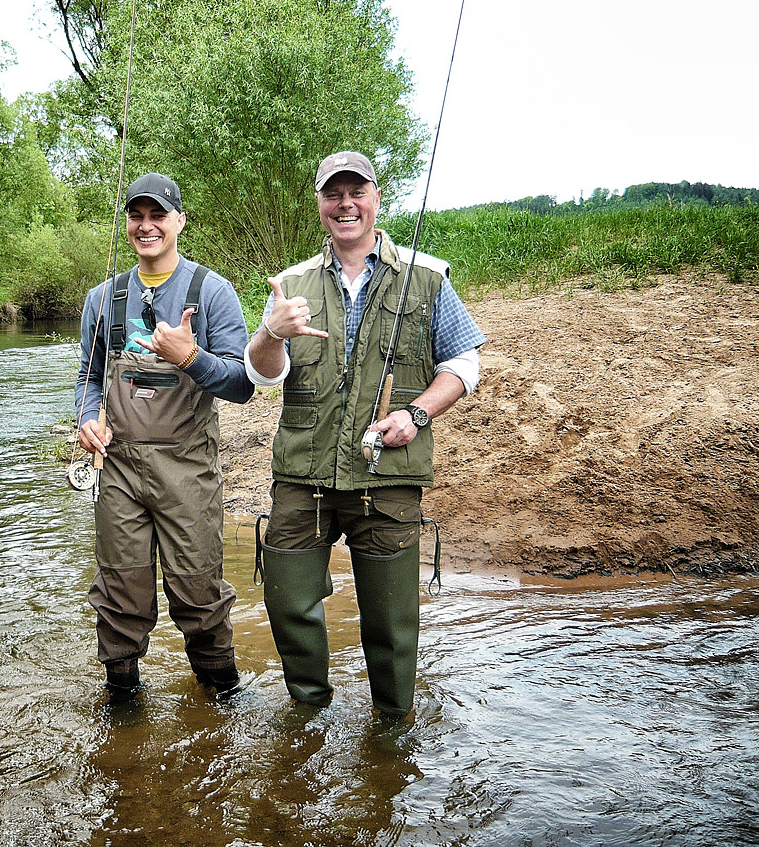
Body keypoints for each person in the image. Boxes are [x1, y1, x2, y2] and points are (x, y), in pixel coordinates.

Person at [245, 150, 486, 718]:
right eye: (334, 194)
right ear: (320, 204)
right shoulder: (292, 284)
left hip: (388, 477)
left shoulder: (427, 275)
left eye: (357, 192)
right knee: (287, 604)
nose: (346, 204)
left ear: (377, 198)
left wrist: (417, 415)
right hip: (302, 477)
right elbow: (262, 373)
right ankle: (307, 719)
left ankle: (393, 729)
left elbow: (464, 365)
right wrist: (269, 331)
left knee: (391, 623)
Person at [75, 172, 254, 698]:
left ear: (179, 220)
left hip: (188, 468)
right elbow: (89, 377)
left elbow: (243, 385)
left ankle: (222, 698)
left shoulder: (212, 291)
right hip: (119, 468)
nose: (146, 226)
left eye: (158, 215)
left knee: (199, 594)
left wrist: (190, 357)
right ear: (127, 223)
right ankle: (122, 708)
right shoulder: (102, 298)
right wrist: (88, 418)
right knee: (120, 594)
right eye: (137, 215)